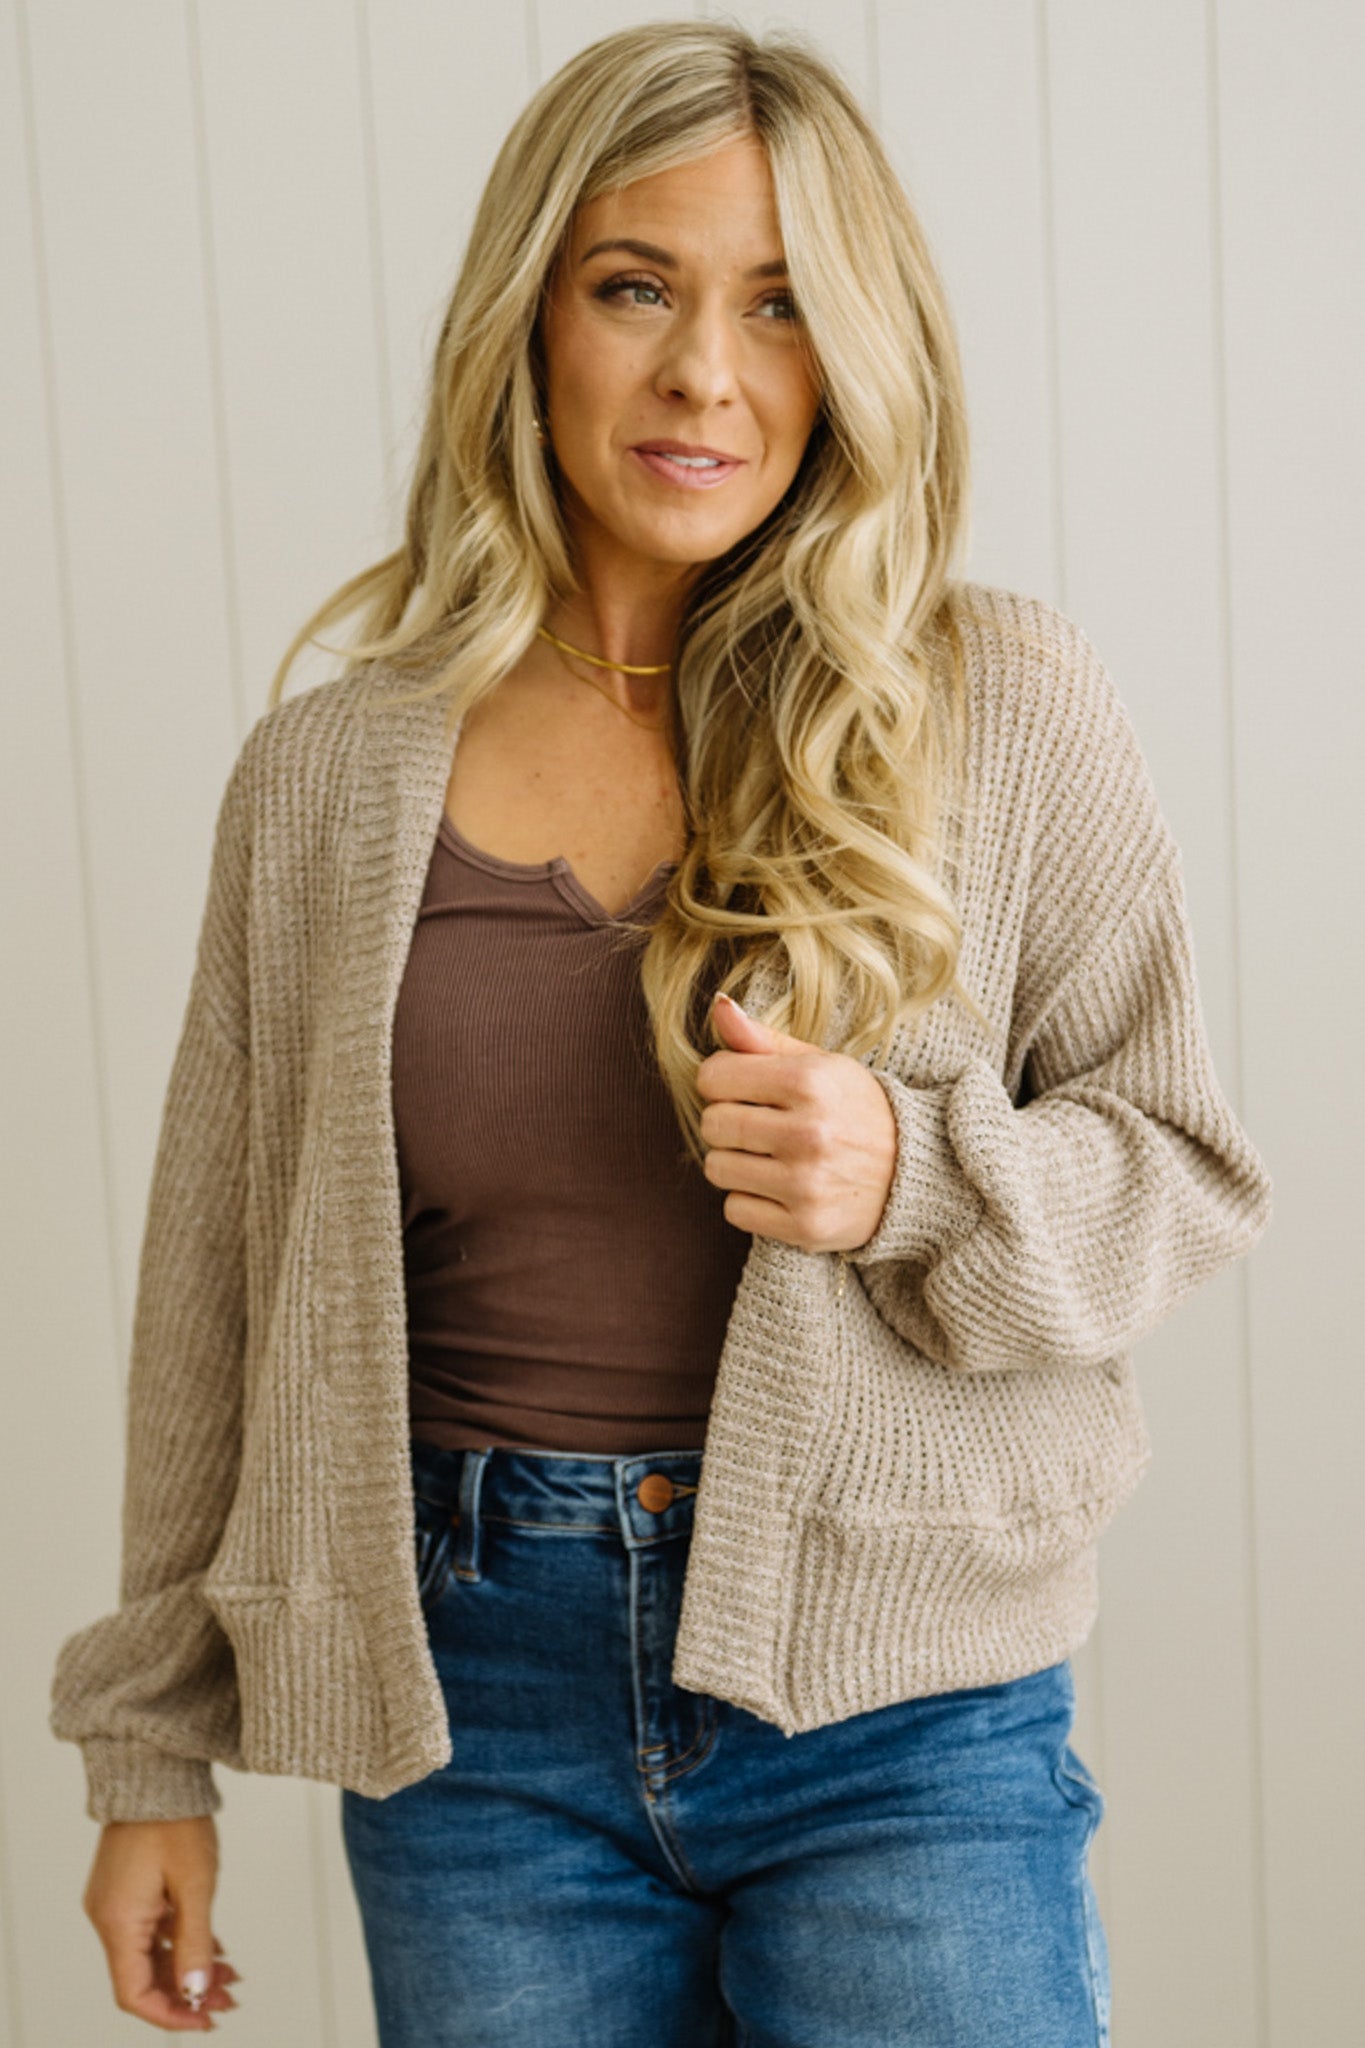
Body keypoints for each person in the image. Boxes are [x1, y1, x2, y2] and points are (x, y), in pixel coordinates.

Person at [50, 18, 1273, 2046]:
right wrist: (147, 1748)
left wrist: (915, 1175)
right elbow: (217, 1287)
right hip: (470, 1723)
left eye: (782, 307)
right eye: (638, 288)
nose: (706, 369)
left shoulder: (1001, 706)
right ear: (530, 318)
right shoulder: (324, 783)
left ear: (855, 354)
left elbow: (1181, 1166)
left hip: (908, 1709)